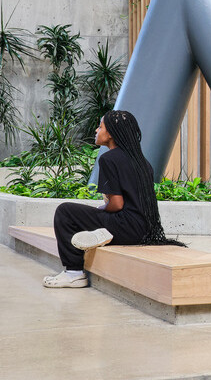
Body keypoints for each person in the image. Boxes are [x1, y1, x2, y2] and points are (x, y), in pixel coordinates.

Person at [44, 110, 184, 288]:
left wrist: (101, 211)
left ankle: (74, 272)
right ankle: (101, 233)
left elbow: (117, 204)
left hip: (126, 227)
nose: (96, 130)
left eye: (100, 127)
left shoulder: (109, 159)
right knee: (92, 214)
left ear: (110, 134)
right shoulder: (143, 162)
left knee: (65, 212)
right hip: (145, 229)